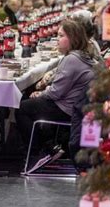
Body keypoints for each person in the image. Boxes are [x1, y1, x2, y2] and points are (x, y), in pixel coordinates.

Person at [15, 20, 96, 157]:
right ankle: (50, 145)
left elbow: (55, 93)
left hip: (68, 109)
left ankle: (37, 153)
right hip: (77, 105)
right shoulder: (81, 55)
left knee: (21, 108)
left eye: (61, 36)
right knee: (30, 100)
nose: (56, 40)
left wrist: (40, 93)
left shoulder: (72, 59)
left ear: (73, 38)